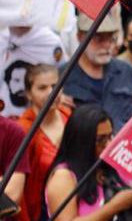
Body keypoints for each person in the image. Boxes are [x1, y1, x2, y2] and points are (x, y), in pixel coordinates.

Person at [44, 105, 132, 221]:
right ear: (82, 142)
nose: (108, 145)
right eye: (100, 140)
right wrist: (114, 206)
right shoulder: (63, 177)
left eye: (110, 136)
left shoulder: (109, 166)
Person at [60, 8, 132, 131]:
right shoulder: (63, 76)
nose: (106, 45)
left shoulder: (126, 71)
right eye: (98, 38)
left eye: (111, 38)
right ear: (80, 37)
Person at [18, 64, 67, 221]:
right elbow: (19, 191)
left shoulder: (70, 116)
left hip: (71, 204)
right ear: (28, 94)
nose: (51, 93)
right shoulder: (23, 131)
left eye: (55, 86)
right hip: (39, 213)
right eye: (42, 88)